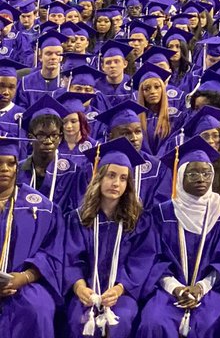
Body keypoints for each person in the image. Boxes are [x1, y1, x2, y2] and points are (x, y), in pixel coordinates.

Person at [137, 137, 220, 338]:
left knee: (211, 322)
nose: (201, 179)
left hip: (211, 289)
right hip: (168, 291)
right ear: (180, 177)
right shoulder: (161, 214)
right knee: (154, 321)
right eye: (193, 173)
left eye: (206, 172)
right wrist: (176, 289)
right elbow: (154, 259)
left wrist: (201, 287)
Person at [63, 139, 154, 338]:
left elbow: (141, 261)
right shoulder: (78, 218)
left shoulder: (138, 221)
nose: (116, 183)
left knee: (120, 322)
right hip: (85, 291)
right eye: (111, 176)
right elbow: (71, 258)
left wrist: (120, 288)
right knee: (76, 319)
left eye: (123, 178)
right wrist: (79, 287)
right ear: (99, 177)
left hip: (122, 294)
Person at [0, 132, 62, 338]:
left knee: (38, 310)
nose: (5, 169)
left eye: (11, 163)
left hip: (25, 284)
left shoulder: (41, 207)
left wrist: (25, 277)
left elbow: (52, 251)